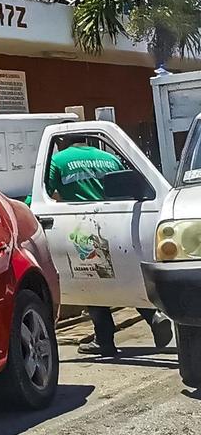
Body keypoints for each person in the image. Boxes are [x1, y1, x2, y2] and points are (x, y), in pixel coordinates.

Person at [45, 137, 173, 357]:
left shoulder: (57, 160)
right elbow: (129, 185)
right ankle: (154, 318)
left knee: (93, 281)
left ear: (63, 141)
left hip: (81, 226)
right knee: (123, 278)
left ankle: (104, 340)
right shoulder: (109, 158)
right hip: (115, 224)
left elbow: (42, 192)